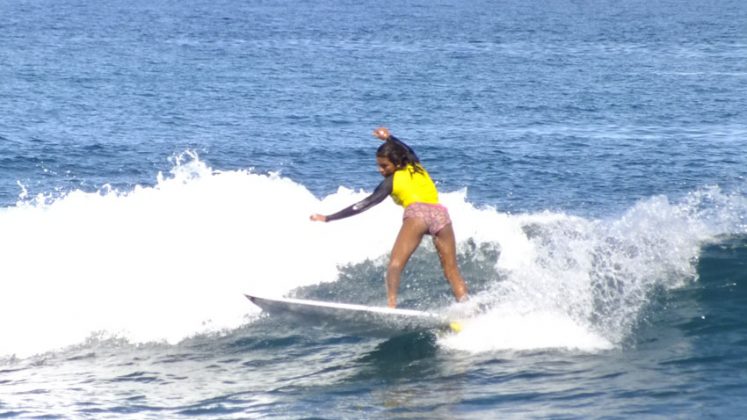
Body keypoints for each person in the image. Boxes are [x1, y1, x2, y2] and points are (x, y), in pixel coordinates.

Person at [310, 127, 468, 308]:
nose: (380, 170)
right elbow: (408, 150)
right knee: (451, 270)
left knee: (395, 265)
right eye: (378, 165)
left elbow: (365, 204)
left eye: (384, 166)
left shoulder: (390, 182)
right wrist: (389, 138)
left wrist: (329, 218)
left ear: (396, 163)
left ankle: (391, 306)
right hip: (441, 214)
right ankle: (466, 305)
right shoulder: (416, 166)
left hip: (418, 215)